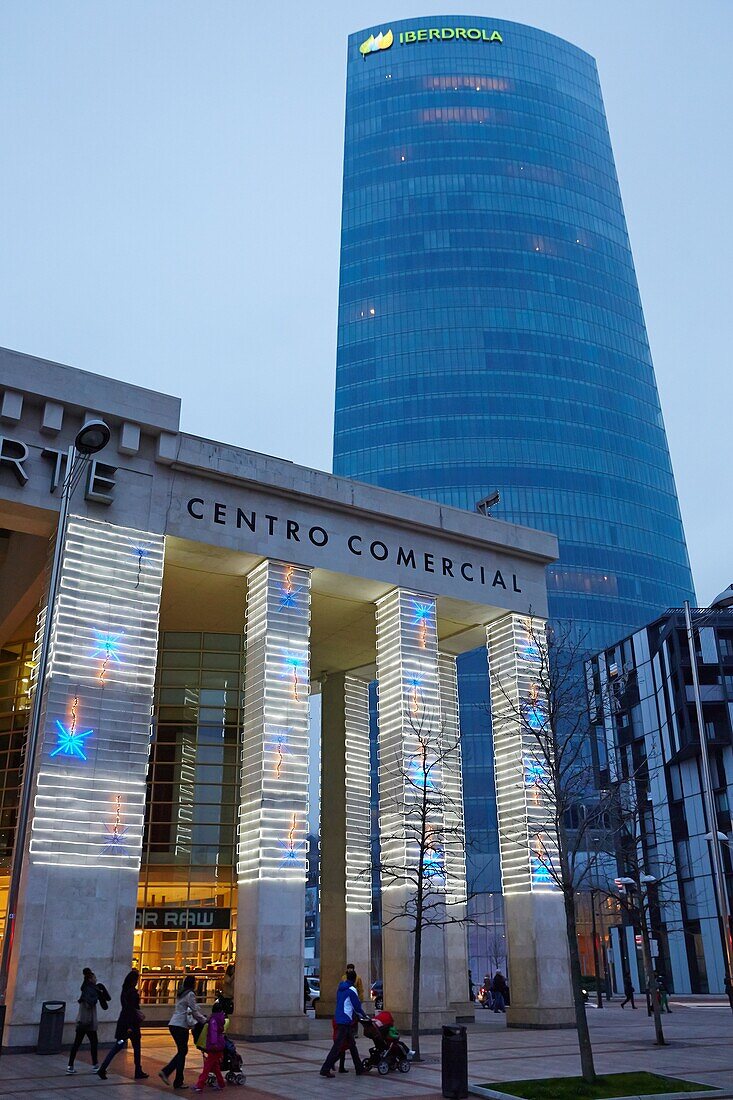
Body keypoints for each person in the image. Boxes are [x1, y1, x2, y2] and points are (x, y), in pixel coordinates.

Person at [97, 969, 147, 1080]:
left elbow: (127, 1008)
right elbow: (132, 1009)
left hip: (123, 1023)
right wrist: (138, 1015)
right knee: (136, 1048)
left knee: (117, 1046)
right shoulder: (133, 993)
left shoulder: (124, 991)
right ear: (134, 980)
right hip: (132, 1025)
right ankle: (138, 1070)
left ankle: (103, 1068)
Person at [159, 975, 208, 1089]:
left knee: (182, 1051)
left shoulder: (181, 993)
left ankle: (172, 1075)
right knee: (182, 1052)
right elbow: (194, 1011)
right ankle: (174, 1078)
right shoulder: (190, 994)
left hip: (174, 1024)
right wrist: (205, 1020)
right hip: (181, 1025)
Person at [319, 976, 366, 1078]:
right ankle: (325, 1069)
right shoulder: (352, 989)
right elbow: (357, 1006)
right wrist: (365, 1015)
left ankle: (359, 1068)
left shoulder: (340, 989)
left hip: (339, 1019)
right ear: (354, 980)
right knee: (337, 1047)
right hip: (345, 1021)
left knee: (352, 1045)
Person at [67, 967, 108, 1074]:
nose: (96, 979)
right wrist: (98, 996)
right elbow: (90, 1003)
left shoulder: (86, 988)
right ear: (90, 979)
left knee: (77, 1043)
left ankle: (70, 1066)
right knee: (93, 1042)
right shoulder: (90, 990)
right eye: (94, 977)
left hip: (82, 1020)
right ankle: (95, 1065)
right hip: (88, 1021)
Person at [193, 998, 227, 1092]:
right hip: (220, 1044)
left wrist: (212, 1044)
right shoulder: (221, 1019)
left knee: (207, 1066)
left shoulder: (213, 1020)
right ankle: (221, 1083)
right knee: (215, 1066)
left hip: (214, 1046)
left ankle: (200, 1085)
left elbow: (213, 1032)